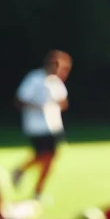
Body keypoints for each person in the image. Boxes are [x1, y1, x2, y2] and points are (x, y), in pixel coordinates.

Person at [13, 50, 71, 198]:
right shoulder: (34, 79)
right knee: (44, 155)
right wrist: (39, 107)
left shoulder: (55, 82)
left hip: (52, 125)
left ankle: (38, 189)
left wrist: (57, 104)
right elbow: (20, 99)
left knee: (50, 158)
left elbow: (63, 102)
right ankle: (21, 170)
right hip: (37, 125)